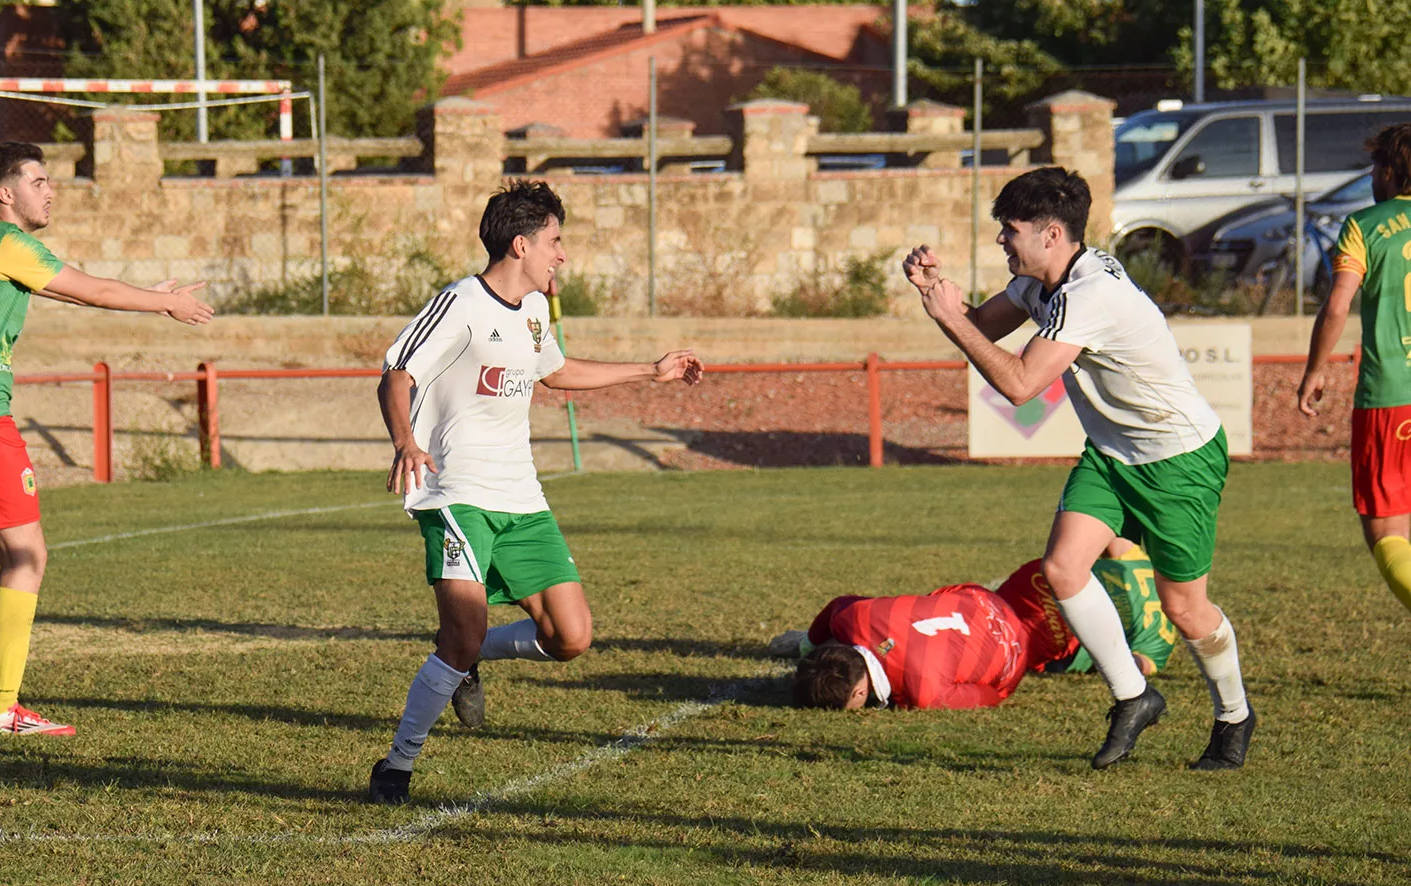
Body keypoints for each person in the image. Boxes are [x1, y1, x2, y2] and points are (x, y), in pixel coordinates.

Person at [902, 166, 1255, 770]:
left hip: (1178, 459)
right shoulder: (1042, 283)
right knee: (1063, 568)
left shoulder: (1089, 295)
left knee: (1185, 610)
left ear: (1051, 234)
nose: (1000, 241)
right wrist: (940, 294)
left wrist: (949, 319)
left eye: (1009, 231)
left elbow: (1018, 385)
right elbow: (981, 327)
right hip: (1113, 454)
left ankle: (1234, 717)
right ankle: (1134, 696)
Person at [370, 180, 703, 805]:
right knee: (460, 635)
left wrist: (648, 371)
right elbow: (396, 373)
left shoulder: (531, 310)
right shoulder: (459, 304)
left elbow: (556, 372)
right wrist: (406, 440)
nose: (563, 254)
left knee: (571, 637)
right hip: (456, 493)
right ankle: (397, 765)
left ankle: (467, 660)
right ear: (520, 244)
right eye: (555, 241)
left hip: (521, 496)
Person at [0, 141, 213, 737]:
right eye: (38, 180)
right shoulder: (7, 243)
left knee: (11, 553)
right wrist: (164, 304)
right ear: (4, 193)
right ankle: (1, 708)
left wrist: (150, 296)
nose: (50, 190)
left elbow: (80, 289)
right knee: (29, 556)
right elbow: (91, 290)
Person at [781, 542, 1176, 710]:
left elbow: (1138, 662)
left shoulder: (1134, 576)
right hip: (1023, 604)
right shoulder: (1157, 611)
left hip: (1018, 606)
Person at [1297, 124, 1411, 615]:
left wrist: (1315, 370)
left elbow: (1338, 306)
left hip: (1390, 396)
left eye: (1374, 167)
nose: (1371, 177)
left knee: (1388, 533)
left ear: (1389, 171)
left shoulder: (1365, 226)